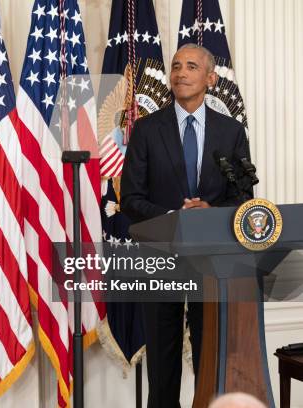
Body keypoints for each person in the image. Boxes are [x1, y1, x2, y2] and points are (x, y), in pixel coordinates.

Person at [120, 44, 251, 408]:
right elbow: (130, 199)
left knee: (211, 359)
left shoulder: (231, 131)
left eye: (191, 66)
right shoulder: (146, 129)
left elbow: (242, 199)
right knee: (162, 367)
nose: (180, 73)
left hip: (212, 262)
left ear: (210, 78)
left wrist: (209, 212)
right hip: (161, 256)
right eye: (176, 66)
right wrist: (175, 219)